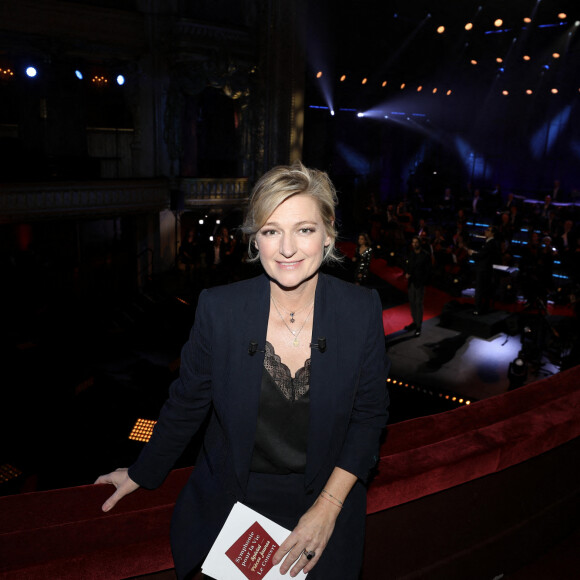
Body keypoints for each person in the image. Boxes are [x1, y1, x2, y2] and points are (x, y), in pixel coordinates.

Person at [95, 162, 390, 580]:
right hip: (236, 504)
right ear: (256, 240)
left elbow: (369, 417)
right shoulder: (220, 309)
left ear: (327, 233)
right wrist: (142, 471)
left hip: (326, 501)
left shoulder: (360, 311)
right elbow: (187, 403)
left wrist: (327, 510)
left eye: (304, 229)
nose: (287, 248)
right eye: (271, 231)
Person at [468, 226, 500, 315]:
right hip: (485, 269)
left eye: (488, 230)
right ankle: (482, 308)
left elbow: (481, 256)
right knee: (483, 290)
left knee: (480, 290)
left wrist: (472, 253)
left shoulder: (491, 243)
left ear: (492, 233)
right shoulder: (489, 243)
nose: (485, 231)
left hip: (484, 270)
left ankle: (478, 309)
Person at [404, 236, 431, 336]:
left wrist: (423, 281)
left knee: (418, 304)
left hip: (419, 283)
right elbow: (407, 265)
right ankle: (415, 322)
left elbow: (428, 271)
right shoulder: (411, 254)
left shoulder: (425, 255)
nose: (414, 244)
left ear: (420, 243)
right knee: (412, 303)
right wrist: (406, 273)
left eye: (416, 242)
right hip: (411, 282)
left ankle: (418, 326)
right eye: (413, 242)